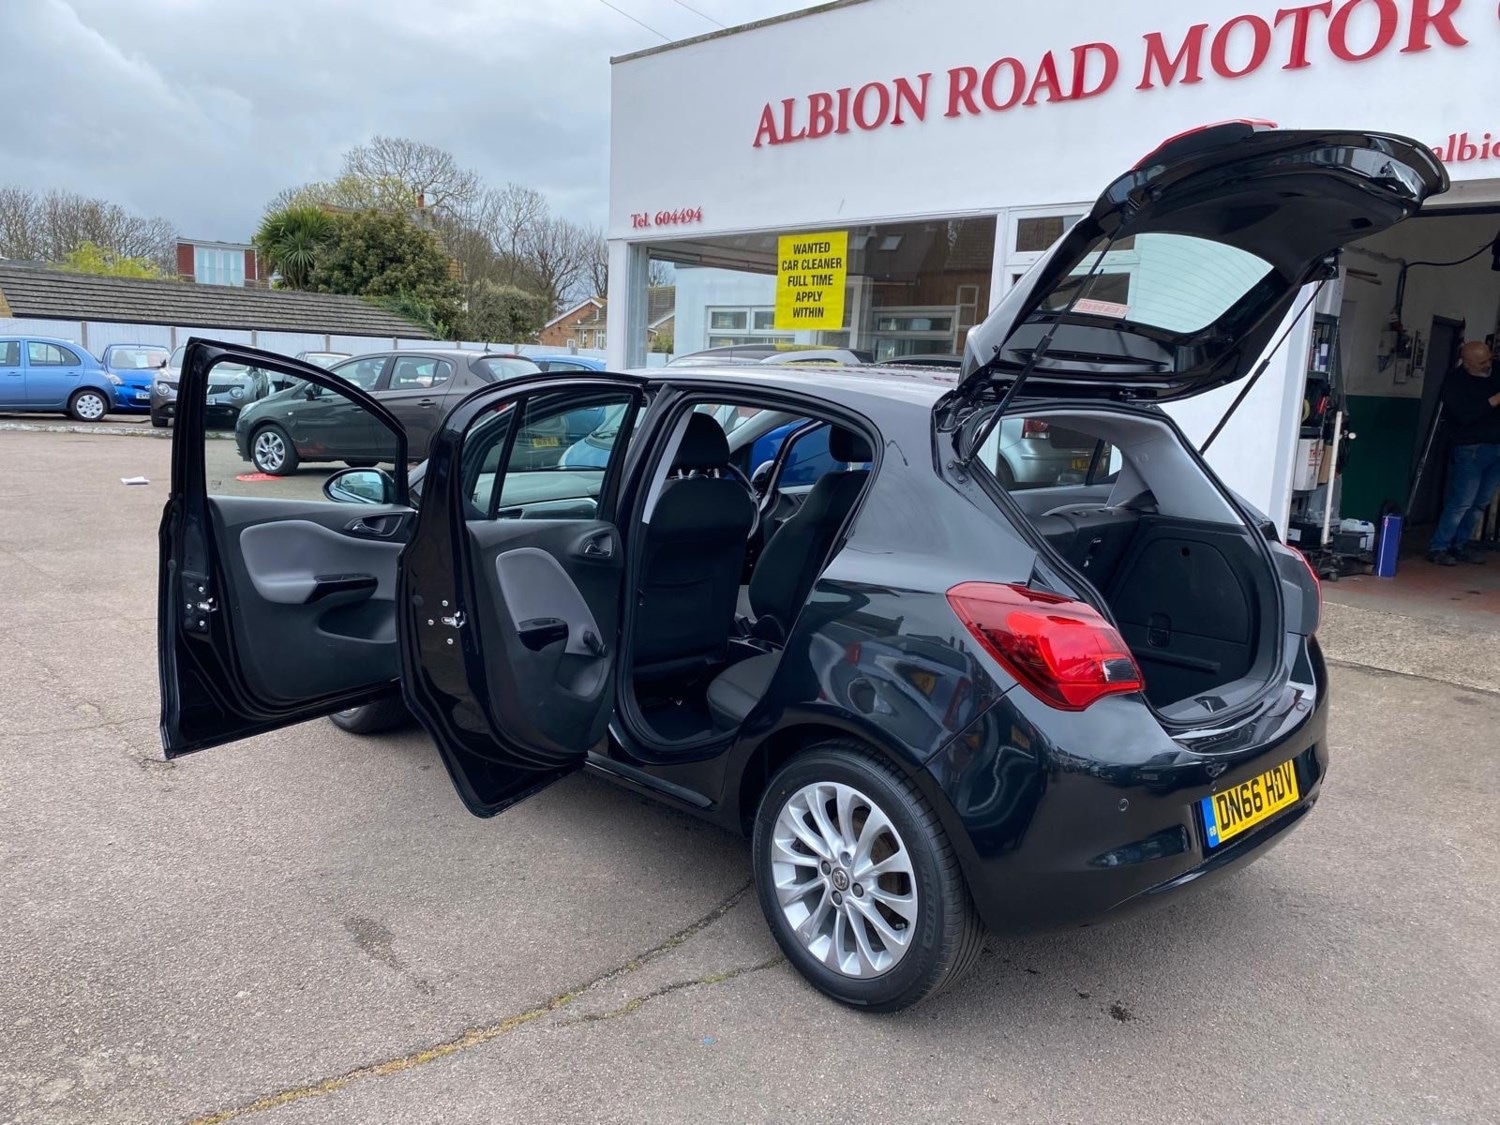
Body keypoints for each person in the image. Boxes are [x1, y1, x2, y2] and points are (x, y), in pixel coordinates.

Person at [1427, 340, 1500, 565]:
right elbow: (1464, 415)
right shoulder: (1455, 382)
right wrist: (1494, 400)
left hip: (1497, 446)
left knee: (1481, 502)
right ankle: (1439, 546)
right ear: (1467, 363)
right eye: (1481, 362)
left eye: (1489, 359)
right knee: (1461, 502)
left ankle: (1460, 544)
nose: (1487, 365)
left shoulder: (1496, 370)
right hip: (1470, 448)